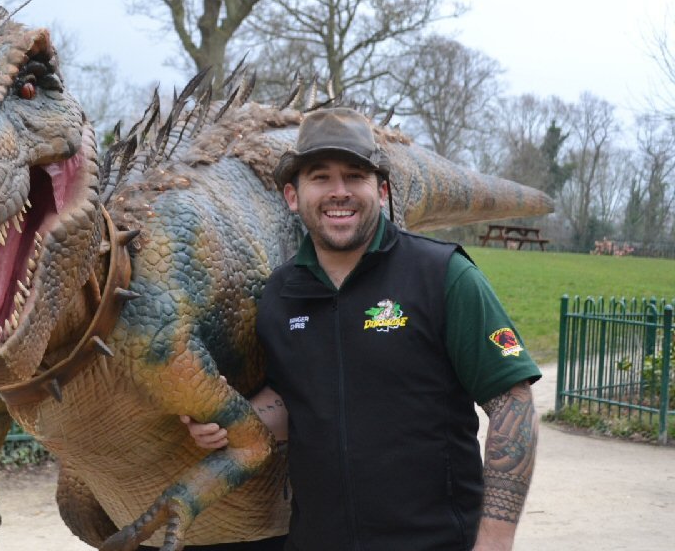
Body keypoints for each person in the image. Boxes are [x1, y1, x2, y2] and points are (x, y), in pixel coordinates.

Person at [183, 107, 542, 551]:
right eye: (320, 177)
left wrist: (495, 540)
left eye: (355, 176)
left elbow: (512, 401)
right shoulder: (279, 294)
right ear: (293, 196)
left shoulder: (443, 275)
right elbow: (292, 405)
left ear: (382, 190)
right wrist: (226, 418)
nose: (339, 192)